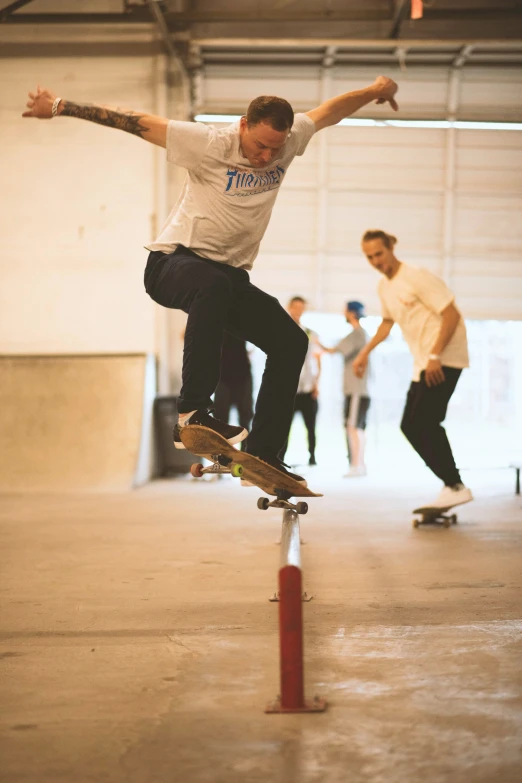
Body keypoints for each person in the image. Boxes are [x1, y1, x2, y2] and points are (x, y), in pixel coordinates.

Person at [23, 77, 399, 488]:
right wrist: (61, 105)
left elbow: (329, 111)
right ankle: (193, 412)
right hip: (172, 263)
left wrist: (374, 89)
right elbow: (134, 121)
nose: (266, 156)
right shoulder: (208, 143)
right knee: (213, 285)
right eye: (259, 146)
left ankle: (264, 452)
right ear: (242, 125)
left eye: (276, 148)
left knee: (291, 341)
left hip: (228, 276)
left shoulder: (289, 141)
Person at [353, 230, 473, 509]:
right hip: (424, 362)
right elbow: (386, 323)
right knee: (410, 425)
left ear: (392, 247)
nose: (375, 261)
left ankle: (454, 485)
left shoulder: (416, 276)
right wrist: (364, 353)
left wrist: (435, 355)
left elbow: (451, 313)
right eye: (369, 257)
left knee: (426, 421)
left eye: (379, 254)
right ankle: (452, 484)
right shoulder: (385, 286)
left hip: (444, 359)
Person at [320, 301, 370, 477]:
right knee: (357, 428)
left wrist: (317, 343)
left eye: (345, 311)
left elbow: (334, 350)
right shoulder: (361, 334)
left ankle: (356, 465)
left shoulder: (357, 334)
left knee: (353, 428)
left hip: (356, 389)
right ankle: (359, 465)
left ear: (351, 313)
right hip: (358, 390)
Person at [280, 297, 321, 467]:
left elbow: (317, 359)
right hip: (290, 389)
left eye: (301, 307)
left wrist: (316, 383)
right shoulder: (283, 330)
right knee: (283, 426)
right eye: (295, 307)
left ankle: (312, 457)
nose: (298, 310)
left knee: (310, 427)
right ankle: (280, 457)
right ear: (290, 308)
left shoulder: (310, 333)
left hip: (308, 387)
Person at [213, 332, 253, 451]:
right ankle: (222, 454)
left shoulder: (241, 319)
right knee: (221, 420)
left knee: (245, 419)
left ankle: (245, 453)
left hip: (243, 375)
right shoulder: (213, 319)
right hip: (222, 376)